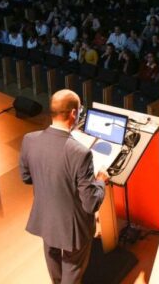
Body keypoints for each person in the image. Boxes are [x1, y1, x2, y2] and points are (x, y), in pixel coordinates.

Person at [19, 90, 110, 283]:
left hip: (45, 216)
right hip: (73, 225)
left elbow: (26, 177)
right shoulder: (81, 153)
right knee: (73, 265)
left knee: (51, 252)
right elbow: (90, 204)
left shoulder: (29, 139)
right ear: (74, 113)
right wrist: (101, 181)